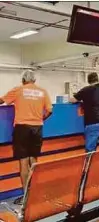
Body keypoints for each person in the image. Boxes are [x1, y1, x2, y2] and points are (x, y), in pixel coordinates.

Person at [0, 70, 52, 204]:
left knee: (23, 162)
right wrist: (40, 119)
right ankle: (36, 193)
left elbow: (1, 101)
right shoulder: (42, 91)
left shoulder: (18, 90)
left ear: (23, 80)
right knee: (33, 160)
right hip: (37, 128)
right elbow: (50, 110)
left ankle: (26, 197)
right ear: (34, 80)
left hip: (22, 128)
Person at [70, 73, 99, 152]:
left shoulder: (86, 89)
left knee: (90, 149)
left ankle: (90, 163)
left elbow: (73, 100)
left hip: (93, 122)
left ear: (88, 80)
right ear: (97, 79)